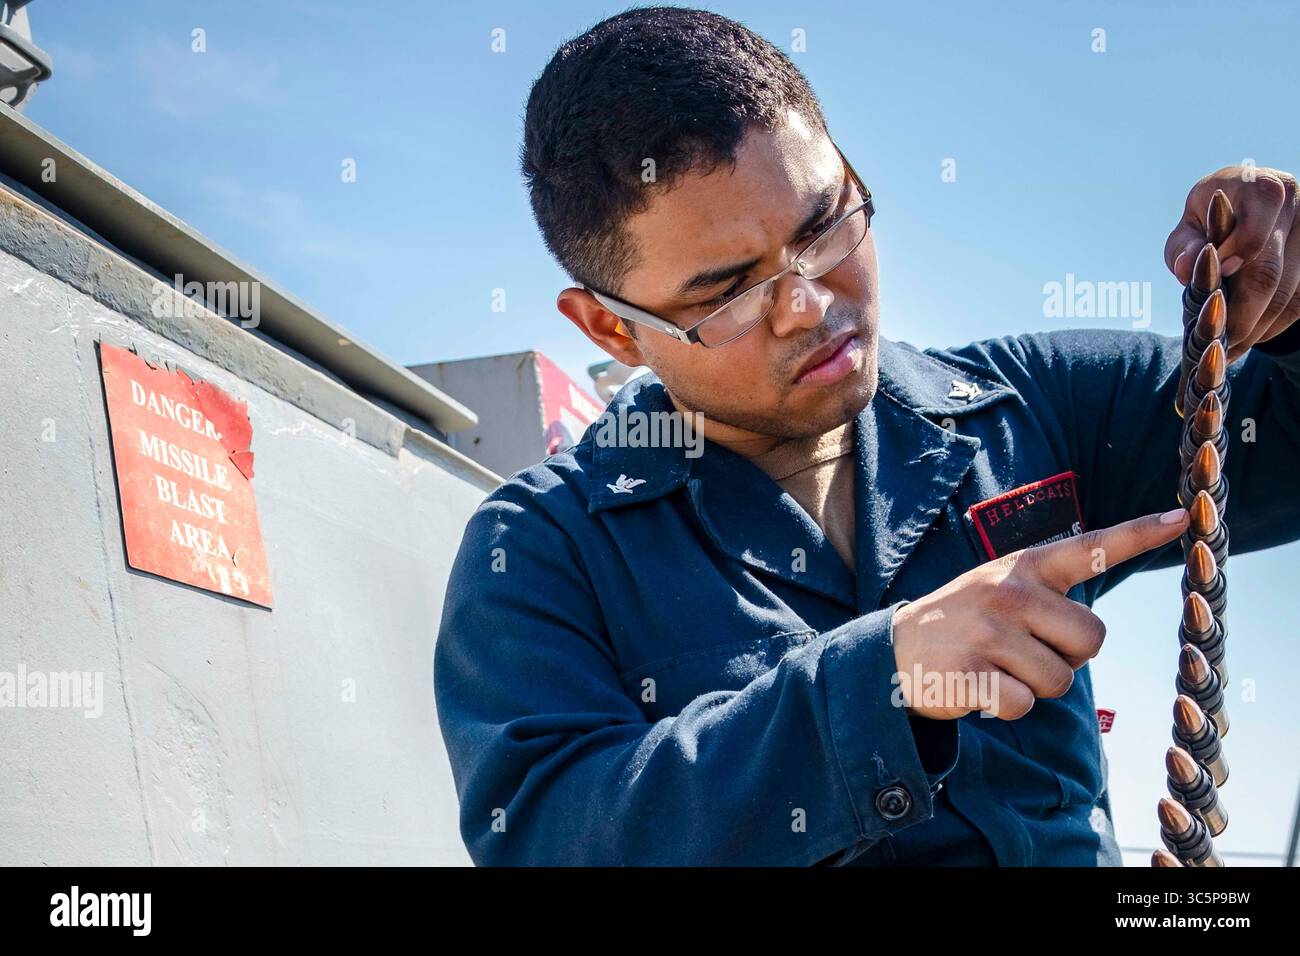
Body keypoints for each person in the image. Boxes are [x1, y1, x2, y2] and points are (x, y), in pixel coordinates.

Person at [433, 6, 1300, 865]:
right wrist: (883, 681)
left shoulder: (1038, 407)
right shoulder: (540, 549)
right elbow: (554, 835)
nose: (810, 305)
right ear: (612, 330)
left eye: (822, 227)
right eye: (729, 292)